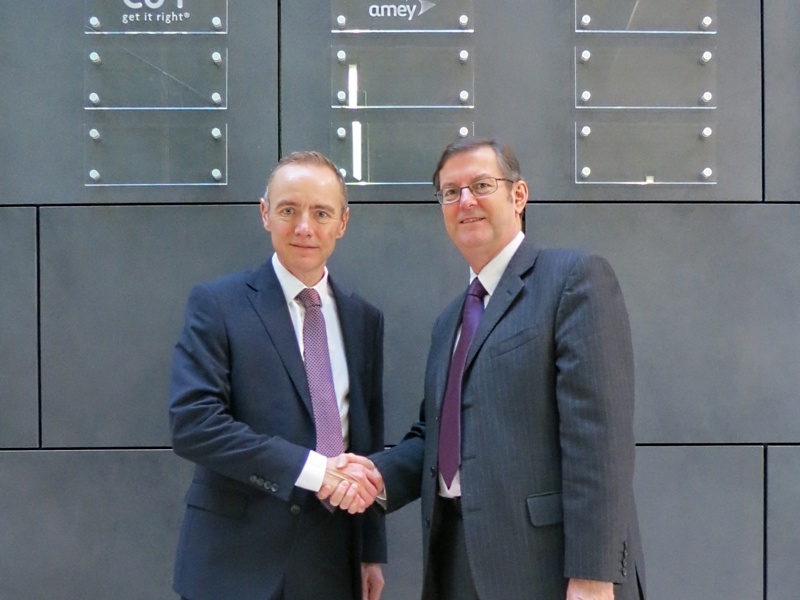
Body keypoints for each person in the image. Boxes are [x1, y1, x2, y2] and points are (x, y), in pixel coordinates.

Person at [327, 139, 645, 599]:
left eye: (481, 185)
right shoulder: (449, 322)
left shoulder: (572, 279)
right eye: (450, 192)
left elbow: (600, 441)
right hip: (456, 564)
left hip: (549, 569)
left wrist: (593, 577)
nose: (465, 201)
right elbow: (435, 437)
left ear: (518, 196)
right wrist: (373, 477)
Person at [169, 151, 386, 600]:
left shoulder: (364, 319)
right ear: (265, 213)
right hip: (234, 564)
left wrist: (369, 553)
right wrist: (313, 471)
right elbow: (195, 426)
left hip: (331, 561)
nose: (304, 227)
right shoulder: (217, 305)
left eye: (321, 213)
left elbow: (366, 441)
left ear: (342, 223)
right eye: (289, 210)